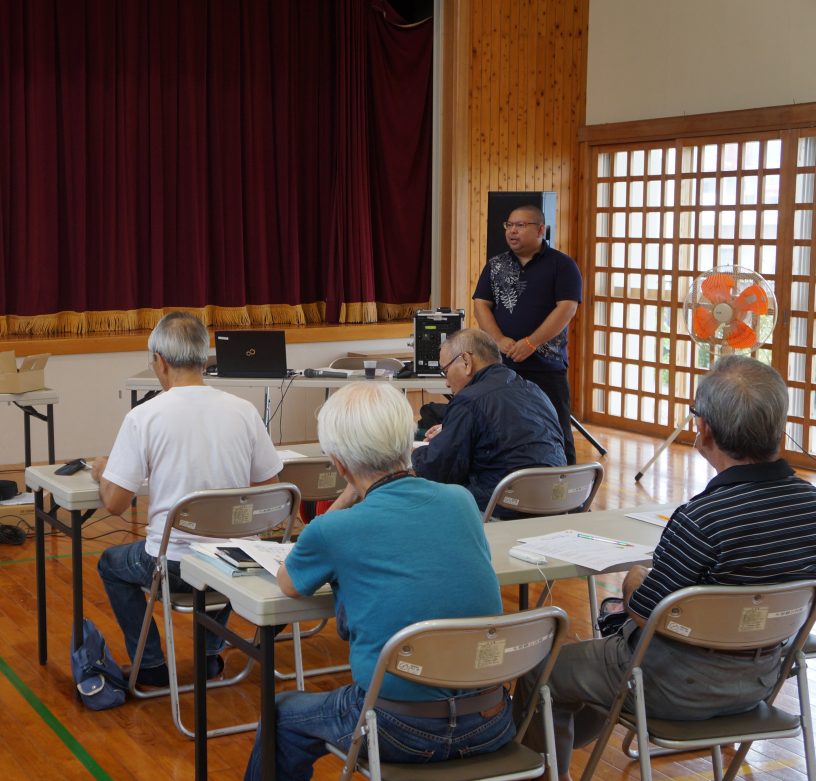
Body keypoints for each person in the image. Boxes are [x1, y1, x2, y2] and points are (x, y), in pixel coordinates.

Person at [523, 355, 816, 780]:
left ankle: (547, 774)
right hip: (762, 680)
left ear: (704, 430)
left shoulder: (702, 518)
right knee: (596, 668)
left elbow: (644, 610)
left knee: (543, 670)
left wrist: (635, 579)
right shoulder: (810, 507)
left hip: (675, 686)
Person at [244, 383, 514, 780]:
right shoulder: (460, 501)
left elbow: (288, 582)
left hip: (399, 729)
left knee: (281, 715)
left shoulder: (334, 529)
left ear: (338, 464)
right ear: (410, 443)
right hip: (493, 718)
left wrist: (347, 495)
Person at [91, 312, 282, 687]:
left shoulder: (144, 416)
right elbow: (270, 491)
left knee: (111, 564)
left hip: (174, 565)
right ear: (204, 357)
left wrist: (103, 472)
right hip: (236, 562)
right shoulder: (244, 411)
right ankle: (209, 656)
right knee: (228, 542)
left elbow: (114, 504)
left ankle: (149, 665)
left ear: (159, 362)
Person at [412, 328, 566, 516]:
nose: (446, 383)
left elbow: (438, 470)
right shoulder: (535, 390)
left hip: (506, 505)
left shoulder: (469, 400)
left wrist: (417, 452)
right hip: (557, 501)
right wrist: (451, 430)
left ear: (466, 361)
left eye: (445, 371)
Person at [473, 205, 583, 464]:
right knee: (501, 429)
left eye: (520, 226)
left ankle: (568, 494)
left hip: (546, 365)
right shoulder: (496, 265)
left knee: (556, 427)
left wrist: (532, 343)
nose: (512, 231)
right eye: (509, 225)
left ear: (540, 229)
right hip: (502, 364)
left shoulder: (562, 265)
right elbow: (481, 304)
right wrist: (499, 340)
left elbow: (567, 308)